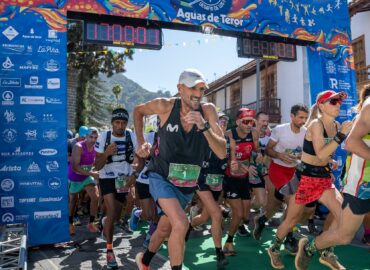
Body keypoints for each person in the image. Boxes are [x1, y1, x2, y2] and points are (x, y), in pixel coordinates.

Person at [133, 68, 226, 270]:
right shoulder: (165, 106)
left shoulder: (208, 111)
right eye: (193, 88)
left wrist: (204, 127)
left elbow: (221, 152)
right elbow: (138, 110)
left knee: (166, 227)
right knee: (182, 223)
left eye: (202, 89)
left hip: (187, 183)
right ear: (180, 88)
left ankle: (144, 261)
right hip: (161, 175)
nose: (198, 94)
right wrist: (141, 142)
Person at [295, 87, 368, 270]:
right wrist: (341, 136)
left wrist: (332, 161)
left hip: (325, 177)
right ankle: (291, 243)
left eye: (340, 101)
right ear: (321, 105)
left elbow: (327, 154)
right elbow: (322, 154)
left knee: (339, 220)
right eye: (334, 101)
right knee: (294, 217)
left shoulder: (336, 125)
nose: (338, 105)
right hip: (308, 177)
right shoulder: (316, 124)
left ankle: (325, 251)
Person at [254, 104, 308, 252]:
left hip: (294, 171)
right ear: (292, 116)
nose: (303, 121)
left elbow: (308, 153)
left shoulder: (306, 132)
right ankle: (289, 239)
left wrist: (301, 157)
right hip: (277, 169)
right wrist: (280, 155)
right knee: (292, 201)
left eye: (305, 118)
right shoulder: (280, 130)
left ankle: (263, 220)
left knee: (278, 205)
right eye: (300, 117)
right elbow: (268, 150)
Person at [94, 108, 137, 270]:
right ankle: (110, 250)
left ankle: (105, 222)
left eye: (123, 123)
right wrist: (106, 154)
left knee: (116, 217)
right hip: (107, 178)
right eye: (117, 122)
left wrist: (134, 174)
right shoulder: (104, 137)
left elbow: (139, 159)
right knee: (112, 212)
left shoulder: (131, 136)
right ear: (112, 123)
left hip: (123, 180)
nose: (120, 126)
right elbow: (97, 166)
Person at [186, 111, 230, 267]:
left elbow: (228, 167)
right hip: (201, 180)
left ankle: (188, 226)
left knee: (205, 217)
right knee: (217, 215)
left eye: (225, 122)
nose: (222, 124)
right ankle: (219, 253)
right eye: (219, 121)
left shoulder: (228, 142)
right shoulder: (203, 136)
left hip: (217, 183)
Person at [222, 107, 261, 255]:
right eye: (245, 121)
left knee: (245, 216)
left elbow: (257, 149)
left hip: (244, 179)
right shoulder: (228, 135)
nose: (249, 125)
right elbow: (227, 159)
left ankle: (227, 213)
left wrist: (258, 154)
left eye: (252, 121)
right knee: (238, 214)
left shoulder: (254, 133)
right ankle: (228, 243)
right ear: (238, 122)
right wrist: (245, 167)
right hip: (230, 178)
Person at [68, 127, 100, 235]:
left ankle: (91, 223)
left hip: (86, 176)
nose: (93, 140)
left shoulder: (97, 147)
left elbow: (95, 162)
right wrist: (92, 173)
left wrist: (95, 170)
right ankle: (70, 223)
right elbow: (75, 167)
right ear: (85, 136)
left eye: (95, 137)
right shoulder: (78, 146)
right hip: (76, 176)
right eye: (91, 137)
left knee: (95, 197)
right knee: (73, 201)